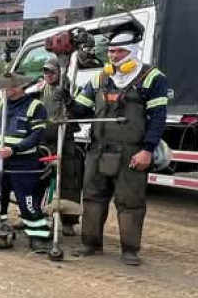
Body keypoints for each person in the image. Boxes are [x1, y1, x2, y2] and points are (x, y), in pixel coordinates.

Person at [64, 30, 168, 265]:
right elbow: (81, 110)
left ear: (131, 51)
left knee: (130, 201)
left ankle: (130, 250)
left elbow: (158, 118)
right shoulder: (100, 78)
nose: (113, 56)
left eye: (119, 51)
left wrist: (147, 150)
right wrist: (68, 103)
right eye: (110, 51)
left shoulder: (152, 78)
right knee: (91, 197)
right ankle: (90, 244)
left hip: (131, 151)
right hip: (98, 150)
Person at [0, 73, 51, 251]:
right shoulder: (0, 106)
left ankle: (38, 236)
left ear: (17, 87)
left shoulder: (35, 106)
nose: (2, 90)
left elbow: (36, 136)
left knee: (28, 200)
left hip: (23, 163)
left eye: (6, 87)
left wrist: (13, 150)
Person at [38, 58, 83, 237]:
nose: (48, 75)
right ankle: (35, 214)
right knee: (39, 179)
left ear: (60, 72)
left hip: (65, 140)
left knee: (69, 181)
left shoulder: (72, 88)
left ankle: (69, 222)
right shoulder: (40, 90)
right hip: (44, 141)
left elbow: (82, 109)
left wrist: (69, 101)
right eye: (46, 71)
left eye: (52, 71)